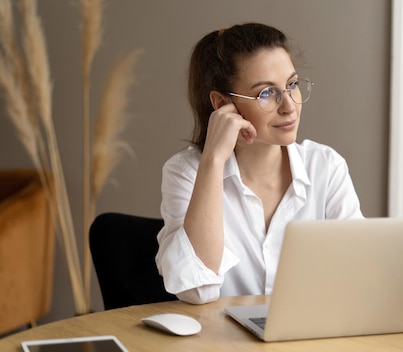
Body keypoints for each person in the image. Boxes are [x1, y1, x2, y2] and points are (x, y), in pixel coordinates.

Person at [155, 23, 363, 305]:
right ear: (222, 104)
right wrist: (214, 161)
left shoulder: (326, 168)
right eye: (267, 93)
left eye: (292, 86)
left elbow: (359, 278)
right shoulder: (186, 173)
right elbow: (196, 290)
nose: (289, 106)